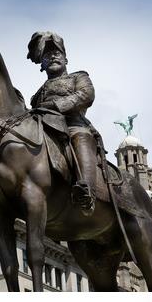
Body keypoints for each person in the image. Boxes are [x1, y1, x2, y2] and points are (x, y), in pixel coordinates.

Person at [27, 31, 99, 216]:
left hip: (73, 125)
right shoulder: (37, 94)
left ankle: (87, 193)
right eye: (47, 56)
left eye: (57, 54)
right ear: (42, 65)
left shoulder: (78, 77)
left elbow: (86, 95)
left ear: (66, 60)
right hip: (45, 129)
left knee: (81, 138)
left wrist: (55, 105)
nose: (52, 57)